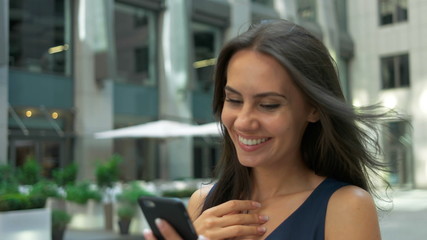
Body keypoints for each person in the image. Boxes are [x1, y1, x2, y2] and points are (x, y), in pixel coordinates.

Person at [144, 19, 389, 240]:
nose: (243, 122)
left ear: (313, 109)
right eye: (234, 100)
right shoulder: (204, 204)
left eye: (268, 105)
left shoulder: (345, 207)